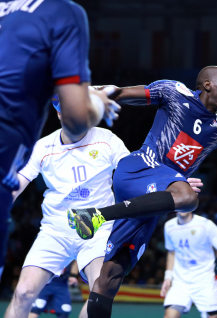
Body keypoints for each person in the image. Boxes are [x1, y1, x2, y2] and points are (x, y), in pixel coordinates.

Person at [74, 67, 217, 318]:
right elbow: (120, 93)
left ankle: (97, 220)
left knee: (110, 276)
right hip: (139, 169)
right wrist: (82, 92)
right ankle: (96, 216)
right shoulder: (174, 93)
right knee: (188, 198)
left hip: (155, 198)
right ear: (207, 84)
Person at [0, 0, 119, 278]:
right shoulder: (61, 12)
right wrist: (99, 102)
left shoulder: (107, 140)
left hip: (92, 228)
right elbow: (76, 118)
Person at [4, 101, 129, 318]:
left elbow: (134, 172)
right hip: (55, 231)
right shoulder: (42, 147)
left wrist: (169, 183)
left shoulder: (107, 139)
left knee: (99, 293)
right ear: (59, 113)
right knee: (24, 292)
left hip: (98, 229)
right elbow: (14, 187)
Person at [161, 212, 217, 318]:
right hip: (180, 282)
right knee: (169, 315)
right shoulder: (168, 226)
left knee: (215, 316)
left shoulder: (206, 224)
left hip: (204, 281)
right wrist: (168, 277)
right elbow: (171, 253)